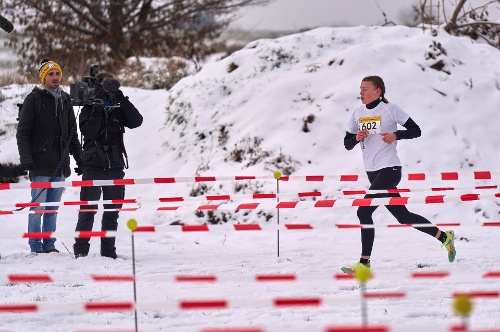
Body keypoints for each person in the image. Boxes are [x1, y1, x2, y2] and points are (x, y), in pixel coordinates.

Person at [341, 75, 456, 274]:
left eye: (365, 89)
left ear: (378, 91)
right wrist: (356, 138)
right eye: (360, 88)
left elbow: (416, 130)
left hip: (390, 170)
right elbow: (347, 143)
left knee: (364, 211)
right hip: (372, 172)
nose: (361, 92)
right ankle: (444, 237)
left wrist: (396, 135)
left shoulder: (390, 109)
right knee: (403, 216)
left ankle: (364, 263)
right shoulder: (357, 113)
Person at [73, 73, 143, 259]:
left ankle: (108, 252)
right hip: (93, 165)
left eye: (111, 88)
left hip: (115, 166)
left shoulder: (118, 106)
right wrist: (96, 107)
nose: (108, 92)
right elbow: (88, 131)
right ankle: (81, 250)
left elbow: (137, 122)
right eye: (106, 88)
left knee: (112, 212)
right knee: (87, 211)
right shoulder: (88, 107)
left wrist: (123, 100)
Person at [16, 59, 83, 254]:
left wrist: (79, 159)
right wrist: (26, 159)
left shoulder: (65, 99)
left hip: (60, 164)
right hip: (40, 163)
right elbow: (23, 133)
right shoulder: (34, 99)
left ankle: (49, 245)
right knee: (37, 209)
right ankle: (36, 247)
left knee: (52, 209)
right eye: (51, 74)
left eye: (57, 74)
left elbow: (72, 132)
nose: (55, 77)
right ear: (44, 77)